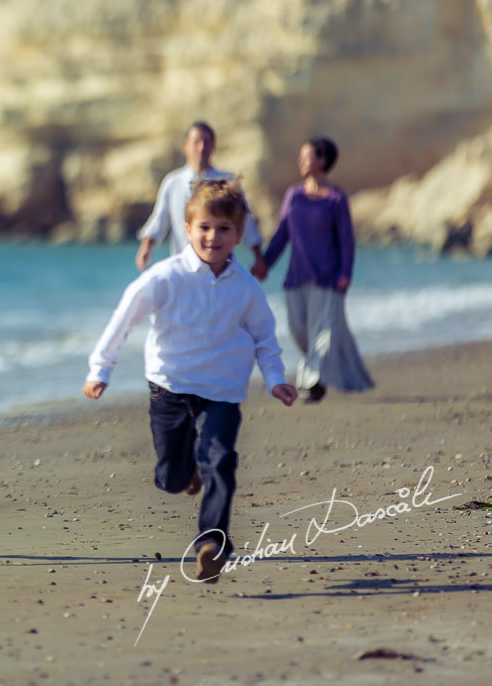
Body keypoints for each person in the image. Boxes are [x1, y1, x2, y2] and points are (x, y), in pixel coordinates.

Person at [84, 179, 297, 583]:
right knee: (171, 477)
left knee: (222, 460)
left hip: (221, 392)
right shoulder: (165, 277)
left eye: (223, 229)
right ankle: (187, 475)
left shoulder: (247, 289)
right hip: (169, 387)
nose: (212, 237)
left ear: (238, 234)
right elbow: (123, 319)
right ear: (187, 228)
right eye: (204, 227)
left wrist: (275, 380)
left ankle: (211, 544)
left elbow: (264, 338)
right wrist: (101, 369)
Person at [260, 137, 374, 402]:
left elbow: (347, 240)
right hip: (296, 276)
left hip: (328, 277)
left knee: (323, 335)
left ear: (321, 160)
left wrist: (346, 272)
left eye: (306, 156)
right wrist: (265, 262)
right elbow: (281, 234)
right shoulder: (294, 195)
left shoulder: (336, 199)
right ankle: (318, 374)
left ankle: (312, 382)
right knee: (299, 330)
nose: (300, 161)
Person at [136, 122, 267, 279]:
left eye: (207, 142)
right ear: (186, 147)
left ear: (213, 147)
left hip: (220, 270)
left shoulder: (226, 182)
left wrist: (258, 257)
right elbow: (159, 220)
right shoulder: (173, 182)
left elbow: (245, 221)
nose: (202, 147)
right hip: (183, 270)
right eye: (197, 142)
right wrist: (145, 248)